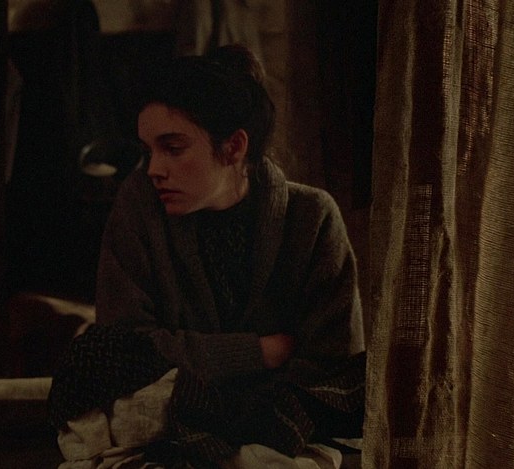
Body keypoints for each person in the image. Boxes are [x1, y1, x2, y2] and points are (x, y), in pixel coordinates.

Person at [49, 44, 365, 468]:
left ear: (233, 147)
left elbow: (333, 364)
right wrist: (258, 352)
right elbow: (121, 349)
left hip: (283, 428)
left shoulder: (312, 216)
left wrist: (214, 388)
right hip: (167, 427)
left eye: (173, 148)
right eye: (148, 150)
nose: (154, 169)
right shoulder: (140, 205)